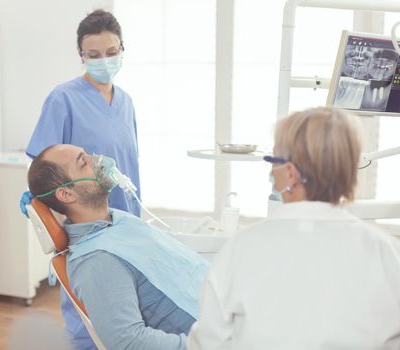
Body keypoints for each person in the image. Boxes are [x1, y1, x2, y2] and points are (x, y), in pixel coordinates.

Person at [188, 106, 400, 350]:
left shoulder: (240, 250)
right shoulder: (388, 254)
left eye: (272, 160)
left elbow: (209, 343)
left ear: (290, 174)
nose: (270, 170)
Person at [20, 10, 140, 349]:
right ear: (81, 56)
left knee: (125, 318)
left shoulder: (127, 103)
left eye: (112, 52)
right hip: (86, 232)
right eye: (94, 54)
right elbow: (43, 172)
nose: (104, 60)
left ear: (122, 49)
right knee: (89, 322)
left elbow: (129, 166)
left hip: (125, 223)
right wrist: (45, 215)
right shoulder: (64, 99)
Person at [27, 144, 210, 350]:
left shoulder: (117, 221)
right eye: (83, 162)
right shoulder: (97, 260)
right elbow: (128, 342)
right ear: (66, 194)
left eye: (89, 153)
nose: (98, 159)